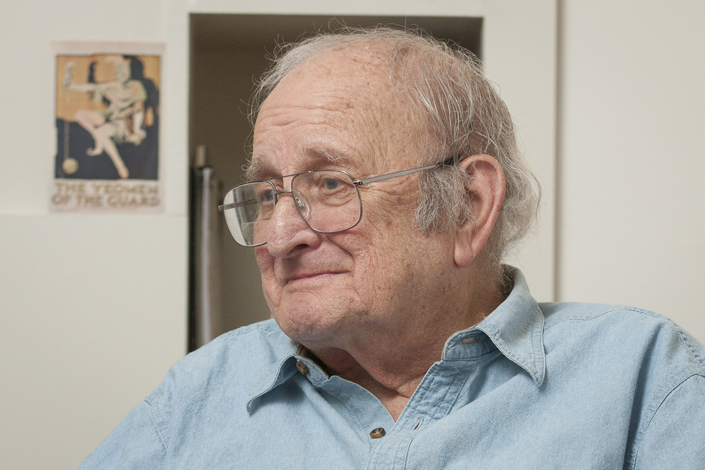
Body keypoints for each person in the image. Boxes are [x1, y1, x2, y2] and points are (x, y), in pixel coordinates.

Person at [79, 28, 705, 469]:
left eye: (330, 183)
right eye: (267, 193)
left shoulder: (644, 376)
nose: (279, 234)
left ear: (469, 205)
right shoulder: (201, 392)